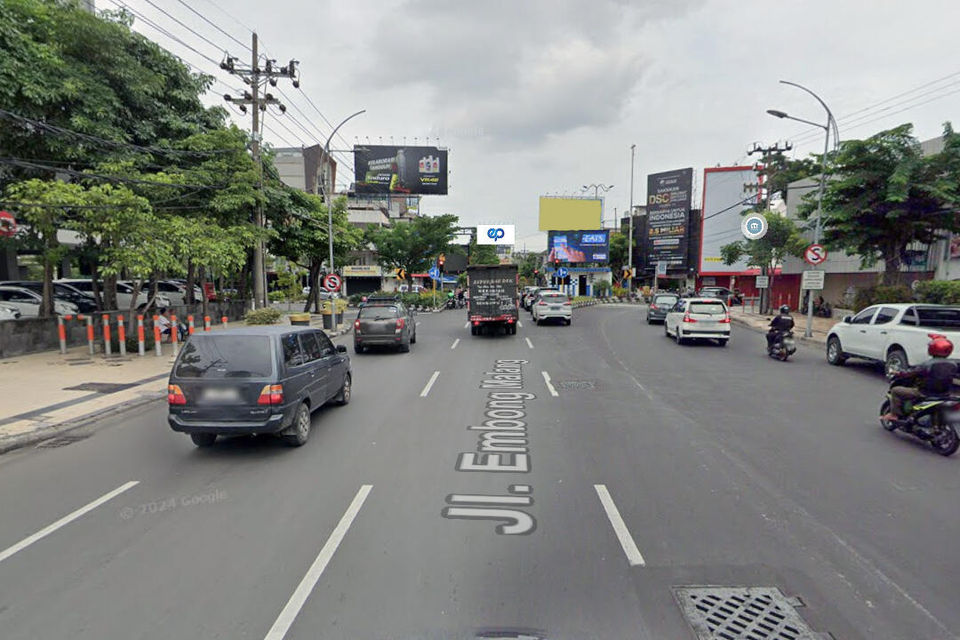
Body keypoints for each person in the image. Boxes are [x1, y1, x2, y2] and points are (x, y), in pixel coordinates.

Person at [882, 334, 960, 423]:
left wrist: (899, 373)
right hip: (945, 395)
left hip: (924, 393)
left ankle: (894, 414)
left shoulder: (927, 364)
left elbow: (910, 373)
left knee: (896, 390)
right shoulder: (953, 364)